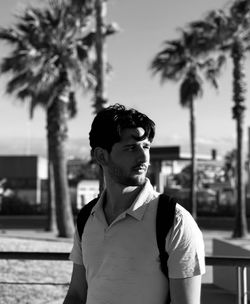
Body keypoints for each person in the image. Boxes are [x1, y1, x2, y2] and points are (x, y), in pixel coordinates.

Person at [63, 103, 205, 304]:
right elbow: (77, 295)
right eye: (131, 148)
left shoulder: (174, 221)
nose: (143, 157)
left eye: (146, 146)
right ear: (101, 156)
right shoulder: (88, 217)